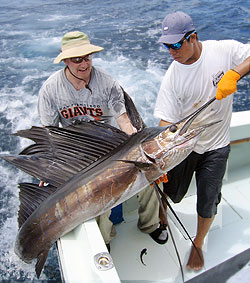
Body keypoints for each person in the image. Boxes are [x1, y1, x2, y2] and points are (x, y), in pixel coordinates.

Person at [37, 31, 169, 249]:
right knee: (98, 197)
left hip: (111, 148)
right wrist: (48, 170)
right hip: (78, 154)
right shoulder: (50, 90)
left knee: (152, 180)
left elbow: (125, 123)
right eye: (76, 59)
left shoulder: (108, 83)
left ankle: (150, 224)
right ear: (65, 59)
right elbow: (50, 135)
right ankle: (104, 239)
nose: (83, 64)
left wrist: (145, 156)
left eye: (87, 57)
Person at [154, 11, 250, 271]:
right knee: (169, 192)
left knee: (208, 199)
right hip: (186, 147)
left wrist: (236, 73)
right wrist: (164, 155)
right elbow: (165, 123)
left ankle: (198, 242)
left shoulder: (223, 50)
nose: (171, 51)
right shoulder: (172, 78)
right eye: (166, 46)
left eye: (176, 45)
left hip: (217, 145)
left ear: (192, 37)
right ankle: (161, 220)